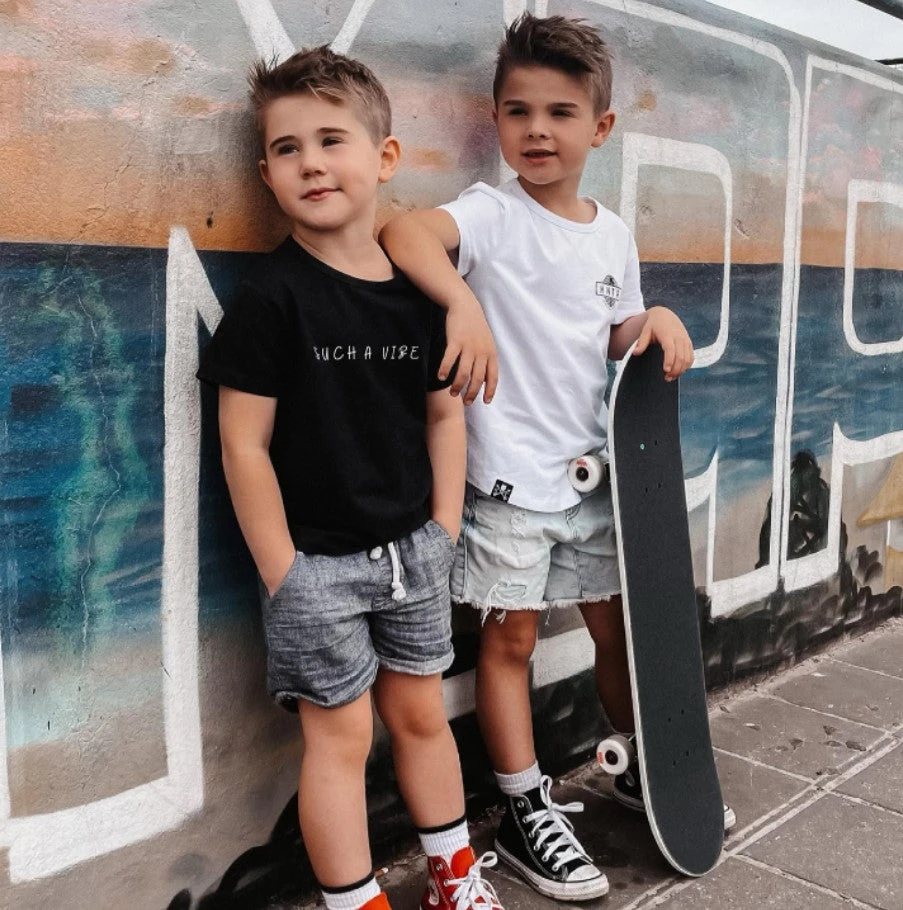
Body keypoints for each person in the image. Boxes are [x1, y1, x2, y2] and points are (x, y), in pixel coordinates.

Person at [380, 13, 734, 902]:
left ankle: (644, 763)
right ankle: (524, 805)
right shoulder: (491, 213)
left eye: (560, 113)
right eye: (518, 111)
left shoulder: (609, 233)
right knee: (511, 642)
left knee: (619, 630)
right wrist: (461, 303)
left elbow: (610, 330)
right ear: (496, 120)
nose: (536, 130)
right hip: (508, 481)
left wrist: (654, 320)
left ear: (599, 128)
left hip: (592, 476)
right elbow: (404, 235)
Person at [197, 47, 504, 910]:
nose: (311, 163)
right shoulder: (271, 298)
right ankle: (354, 900)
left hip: (415, 553)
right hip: (316, 571)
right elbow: (243, 447)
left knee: (422, 718)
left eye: (331, 140)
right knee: (339, 741)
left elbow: (444, 417)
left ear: (385, 157)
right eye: (286, 148)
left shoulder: (419, 295)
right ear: (266, 174)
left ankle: (452, 879)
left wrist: (443, 529)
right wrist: (283, 572)